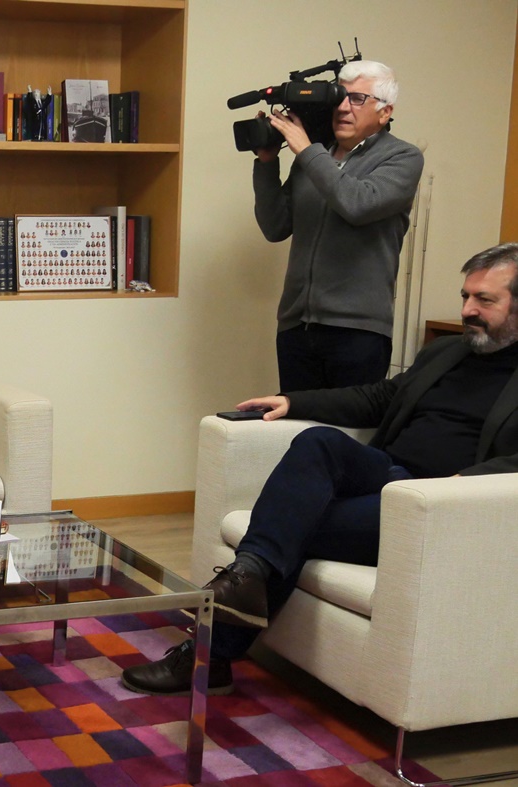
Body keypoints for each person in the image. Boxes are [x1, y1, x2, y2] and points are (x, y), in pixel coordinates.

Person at [122, 243, 518, 696]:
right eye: (466, 296)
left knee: (293, 526)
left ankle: (211, 653)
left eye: (485, 300)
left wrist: (463, 482)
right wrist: (294, 401)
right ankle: (245, 579)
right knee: (319, 441)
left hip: (436, 506)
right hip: (389, 474)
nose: (467, 310)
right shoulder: (447, 352)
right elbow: (380, 398)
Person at [253, 60, 424, 391]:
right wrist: (267, 163)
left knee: (344, 435)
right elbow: (275, 227)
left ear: (385, 112)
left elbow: (357, 204)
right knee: (294, 431)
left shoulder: (403, 157)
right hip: (296, 326)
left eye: (357, 99)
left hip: (358, 331)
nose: (343, 107)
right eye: (339, 97)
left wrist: (307, 151)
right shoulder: (316, 157)